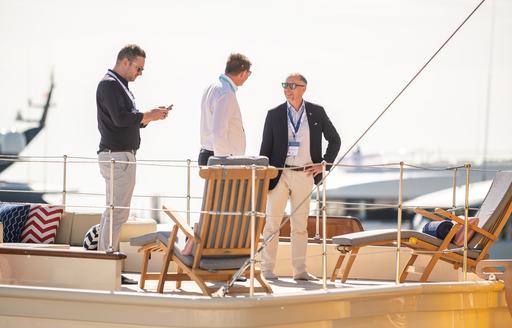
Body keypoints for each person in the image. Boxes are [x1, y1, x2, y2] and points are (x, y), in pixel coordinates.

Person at [259, 73, 341, 280]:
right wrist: (264, 178)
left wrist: (324, 164)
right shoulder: (274, 114)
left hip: (304, 175)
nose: (288, 89)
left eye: (292, 85)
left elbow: (335, 140)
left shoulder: (317, 112)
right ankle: (267, 270)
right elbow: (264, 150)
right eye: (285, 85)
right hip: (279, 174)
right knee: (271, 224)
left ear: (304, 88)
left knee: (300, 226)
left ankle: (300, 271)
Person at [96, 44, 169, 252]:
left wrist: (150, 118)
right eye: (139, 68)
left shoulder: (118, 85)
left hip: (118, 155)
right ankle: (106, 260)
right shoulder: (110, 85)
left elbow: (126, 119)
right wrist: (149, 115)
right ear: (125, 62)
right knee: (117, 212)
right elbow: (120, 119)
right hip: (118, 156)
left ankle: (105, 256)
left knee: (113, 211)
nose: (140, 73)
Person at [198, 53, 252, 165]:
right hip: (219, 159)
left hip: (209, 154)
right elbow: (218, 132)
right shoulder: (226, 94)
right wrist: (224, 164)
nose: (248, 77)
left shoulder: (212, 87)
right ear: (243, 73)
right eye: (249, 73)